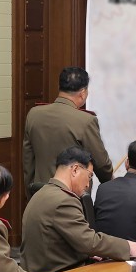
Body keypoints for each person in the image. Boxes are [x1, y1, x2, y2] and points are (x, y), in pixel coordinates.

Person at [20, 147, 136, 272]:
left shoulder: (41, 193)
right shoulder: (64, 201)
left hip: (42, 270)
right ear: (75, 170)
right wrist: (127, 247)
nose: (88, 184)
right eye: (89, 176)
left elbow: (58, 243)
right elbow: (89, 241)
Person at [23, 66, 114, 196]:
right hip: (71, 195)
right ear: (83, 92)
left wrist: (31, 193)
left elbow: (28, 162)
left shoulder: (34, 114)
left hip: (40, 192)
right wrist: (112, 183)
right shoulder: (86, 121)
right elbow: (102, 164)